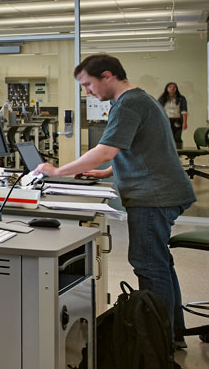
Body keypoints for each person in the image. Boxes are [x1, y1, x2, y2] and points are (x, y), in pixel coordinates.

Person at [33, 54, 197, 348]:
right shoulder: (140, 100)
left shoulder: (129, 103)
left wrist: (58, 171)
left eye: (88, 84)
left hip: (154, 196)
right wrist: (107, 171)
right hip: (161, 191)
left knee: (149, 266)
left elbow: (107, 149)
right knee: (160, 264)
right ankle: (171, 334)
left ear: (107, 75)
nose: (87, 92)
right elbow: (141, 147)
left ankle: (159, 345)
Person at [159, 82, 188, 149]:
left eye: (174, 87)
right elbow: (159, 110)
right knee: (167, 137)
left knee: (177, 137)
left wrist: (184, 122)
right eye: (170, 87)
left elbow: (184, 111)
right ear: (166, 88)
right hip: (166, 120)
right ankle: (167, 153)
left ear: (176, 89)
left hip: (177, 120)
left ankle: (179, 153)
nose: (172, 88)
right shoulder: (162, 98)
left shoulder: (181, 98)